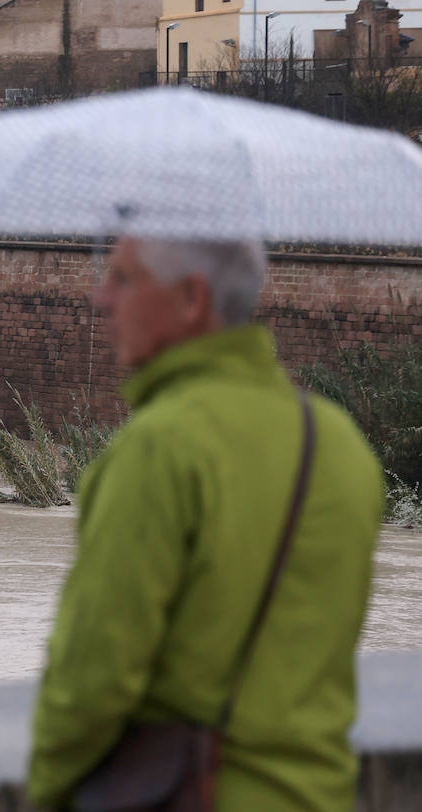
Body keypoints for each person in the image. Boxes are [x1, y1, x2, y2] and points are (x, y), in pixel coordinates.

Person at [26, 236, 384, 811]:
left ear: (191, 298)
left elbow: (92, 679)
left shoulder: (159, 447)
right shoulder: (340, 443)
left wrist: (45, 791)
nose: (100, 299)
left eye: (122, 280)